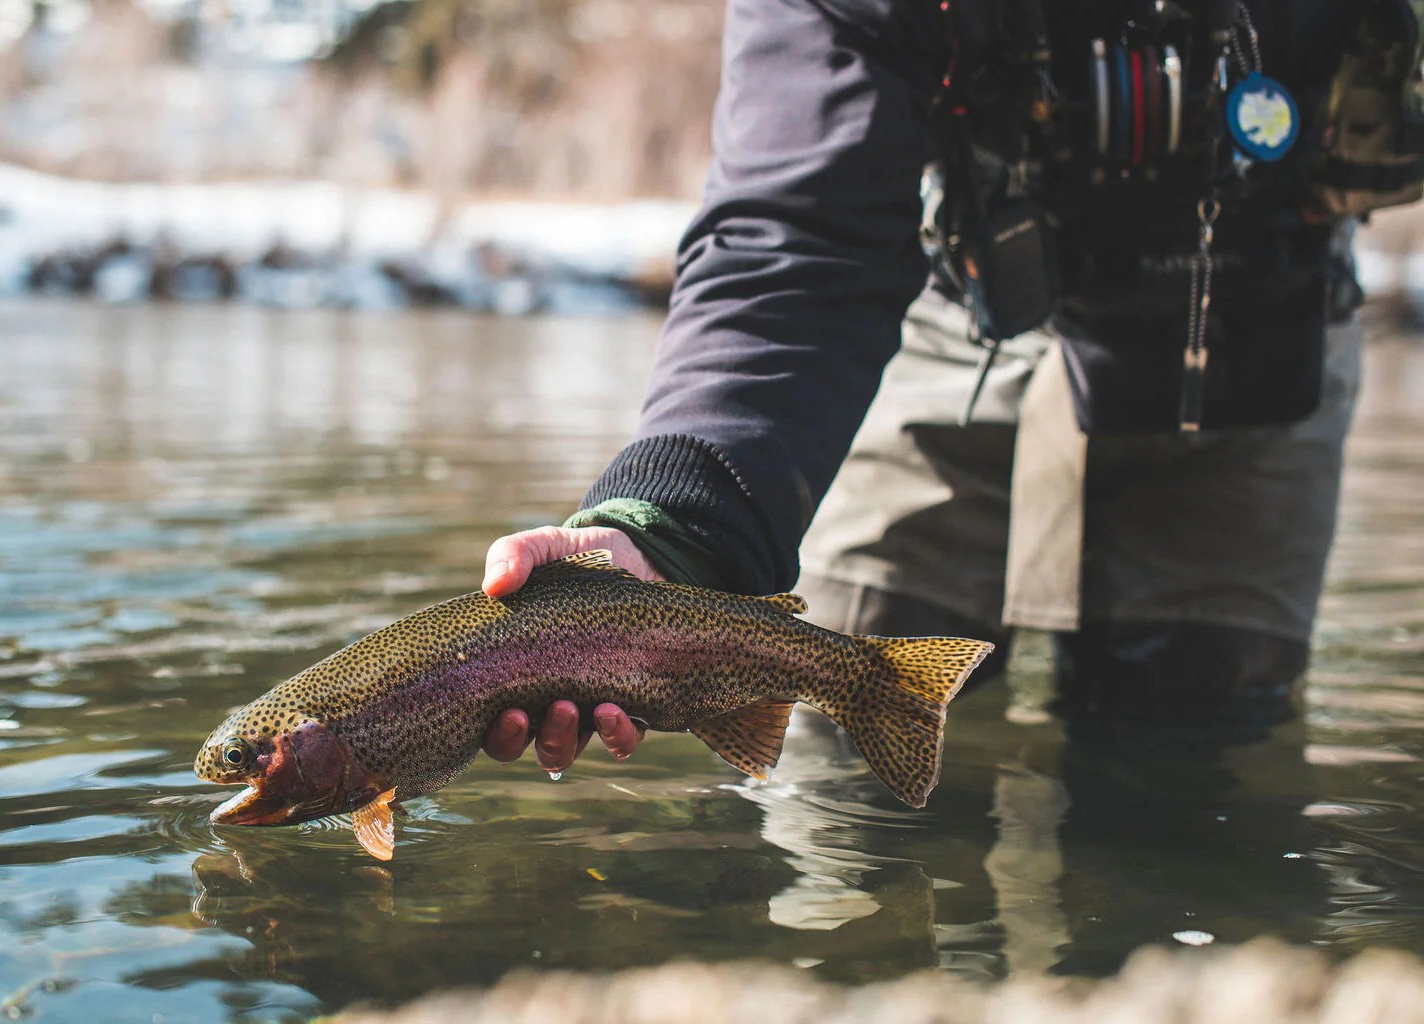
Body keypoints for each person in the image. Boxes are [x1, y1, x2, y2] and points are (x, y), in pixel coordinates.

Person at [473, 0, 1409, 772]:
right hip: (961, 303)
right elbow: (794, 245)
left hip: (1250, 328)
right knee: (842, 768)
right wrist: (676, 530)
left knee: (1195, 766)